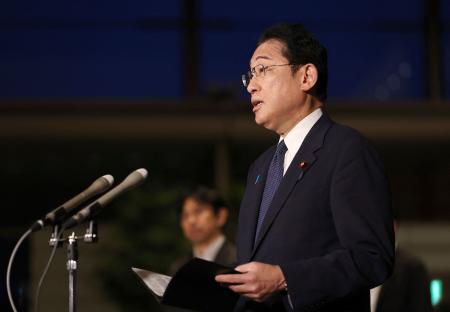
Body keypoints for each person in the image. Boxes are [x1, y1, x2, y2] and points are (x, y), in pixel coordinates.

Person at [215, 23, 395, 311]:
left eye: (263, 70)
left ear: (307, 76)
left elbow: (372, 257)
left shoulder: (346, 149)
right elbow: (253, 267)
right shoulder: (259, 168)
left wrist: (285, 278)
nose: (251, 84)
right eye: (250, 75)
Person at [169, 186, 236, 274]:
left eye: (198, 212)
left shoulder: (239, 261)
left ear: (220, 216)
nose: (191, 221)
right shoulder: (178, 268)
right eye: (185, 216)